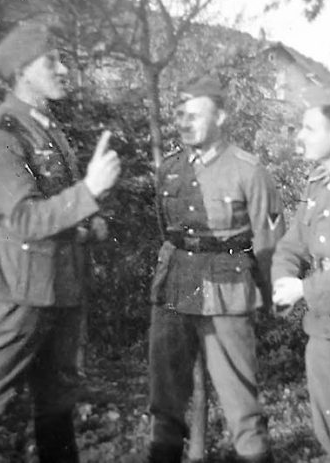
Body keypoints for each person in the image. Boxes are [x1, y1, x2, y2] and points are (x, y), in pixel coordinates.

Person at [0, 22, 121, 463]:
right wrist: (89, 193)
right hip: (15, 293)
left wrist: (90, 222)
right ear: (23, 71)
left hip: (62, 287)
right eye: (52, 61)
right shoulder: (1, 135)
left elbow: (56, 208)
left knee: (57, 400)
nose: (64, 69)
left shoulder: (47, 128)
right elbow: (24, 217)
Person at [133, 75, 284, 463]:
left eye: (194, 115)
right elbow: (166, 230)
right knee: (164, 402)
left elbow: (269, 244)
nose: (185, 123)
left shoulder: (248, 170)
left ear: (221, 116)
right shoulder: (169, 169)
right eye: (180, 115)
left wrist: (267, 297)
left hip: (228, 293)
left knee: (240, 404)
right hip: (173, 290)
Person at [271, 85, 330, 462]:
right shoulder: (317, 184)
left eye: (308, 128)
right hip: (324, 332)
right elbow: (293, 244)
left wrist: (304, 291)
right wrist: (283, 281)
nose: (299, 136)